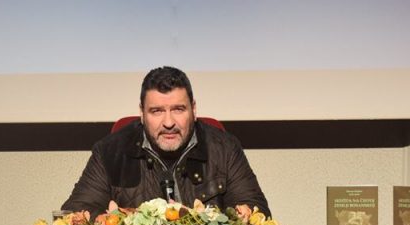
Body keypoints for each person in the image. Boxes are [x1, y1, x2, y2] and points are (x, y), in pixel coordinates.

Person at [61, 66, 270, 217]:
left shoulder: (225, 148)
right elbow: (75, 214)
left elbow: (256, 211)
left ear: (194, 110)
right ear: (142, 113)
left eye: (178, 109)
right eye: (157, 111)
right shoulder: (109, 152)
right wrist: (121, 221)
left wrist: (205, 222)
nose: (169, 123)